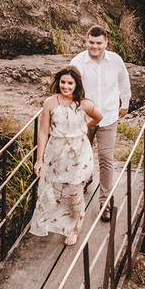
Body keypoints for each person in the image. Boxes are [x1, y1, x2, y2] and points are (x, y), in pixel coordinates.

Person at [31, 66, 102, 246]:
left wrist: (83, 126)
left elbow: (98, 117)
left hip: (79, 153)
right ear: (58, 82)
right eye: (63, 82)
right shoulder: (50, 103)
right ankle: (58, 222)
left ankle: (74, 228)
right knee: (53, 190)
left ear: (76, 84)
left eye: (70, 83)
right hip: (56, 152)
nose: (66, 86)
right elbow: (42, 132)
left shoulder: (83, 104)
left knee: (73, 191)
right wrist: (39, 160)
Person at [70, 26, 130, 222]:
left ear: (106, 43)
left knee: (105, 158)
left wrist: (125, 103)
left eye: (99, 43)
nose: (94, 46)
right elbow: (69, 88)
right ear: (86, 41)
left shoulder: (116, 61)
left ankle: (105, 202)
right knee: (79, 156)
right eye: (91, 42)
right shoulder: (77, 62)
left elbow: (123, 82)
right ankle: (86, 179)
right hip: (84, 118)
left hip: (108, 117)